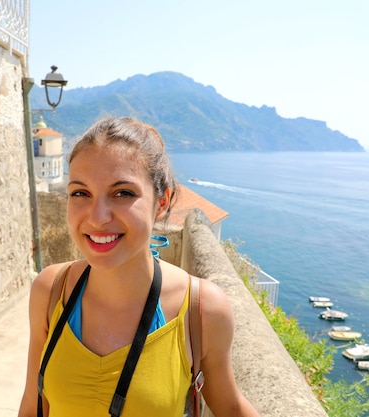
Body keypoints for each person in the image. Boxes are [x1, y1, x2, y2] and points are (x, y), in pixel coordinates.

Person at [18, 117, 260, 417]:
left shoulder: (200, 310)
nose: (97, 217)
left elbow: (231, 407)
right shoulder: (51, 291)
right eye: (80, 193)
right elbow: (33, 404)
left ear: (162, 201)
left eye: (123, 193)